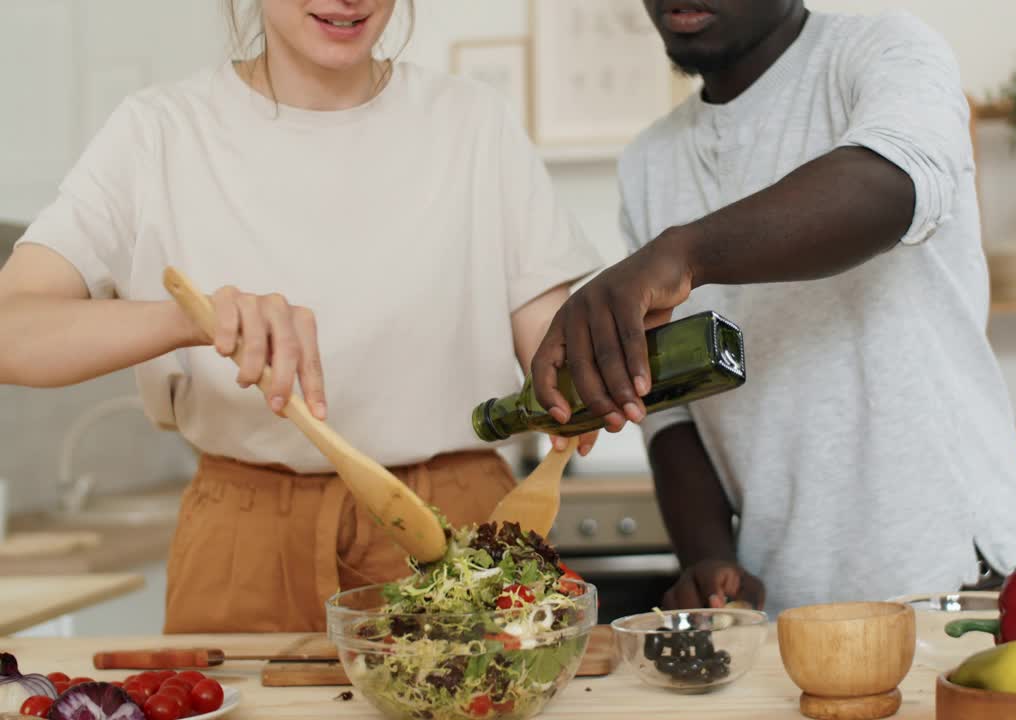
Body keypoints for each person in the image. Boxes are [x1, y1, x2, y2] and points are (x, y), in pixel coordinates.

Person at [0, 0, 602, 633]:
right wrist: (197, 320)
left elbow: (553, 361)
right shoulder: (159, 130)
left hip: (458, 536)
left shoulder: (474, 122)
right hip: (241, 537)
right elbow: (12, 331)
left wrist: (587, 379)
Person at [528, 1, 1016, 616]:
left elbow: (895, 184)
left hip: (956, 580)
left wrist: (682, 253)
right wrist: (708, 557)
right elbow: (674, 412)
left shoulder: (881, 50)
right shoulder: (650, 160)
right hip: (786, 612)